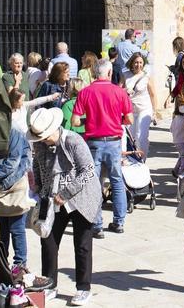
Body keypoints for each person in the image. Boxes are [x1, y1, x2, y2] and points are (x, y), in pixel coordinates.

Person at [30, 107, 101, 306]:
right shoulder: (40, 145)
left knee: (82, 244)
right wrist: (38, 187)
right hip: (53, 197)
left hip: (81, 197)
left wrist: (66, 193)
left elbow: (87, 171)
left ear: (54, 129)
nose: (43, 140)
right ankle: (49, 284)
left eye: (45, 136)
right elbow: (38, 166)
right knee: (48, 240)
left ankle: (83, 288)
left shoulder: (73, 141)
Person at [72, 59, 134, 236]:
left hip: (94, 143)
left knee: (94, 183)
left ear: (94, 73)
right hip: (114, 141)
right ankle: (119, 222)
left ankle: (97, 224)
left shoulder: (85, 92)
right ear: (109, 73)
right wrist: (115, 120)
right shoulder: (119, 92)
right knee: (117, 181)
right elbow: (129, 119)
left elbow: (75, 121)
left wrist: (90, 120)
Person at [0, 118, 41, 283]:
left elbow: (13, 162)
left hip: (14, 185)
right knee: (2, 230)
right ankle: (4, 264)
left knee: (17, 228)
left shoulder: (13, 131)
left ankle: (20, 265)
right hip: (0, 187)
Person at [124, 52, 158, 157]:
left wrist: (154, 111)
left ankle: (142, 158)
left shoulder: (146, 76)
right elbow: (118, 90)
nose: (138, 65)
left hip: (144, 109)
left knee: (141, 135)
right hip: (130, 110)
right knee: (131, 136)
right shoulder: (125, 75)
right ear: (131, 63)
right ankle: (133, 157)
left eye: (140, 62)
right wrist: (125, 90)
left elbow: (153, 95)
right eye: (136, 62)